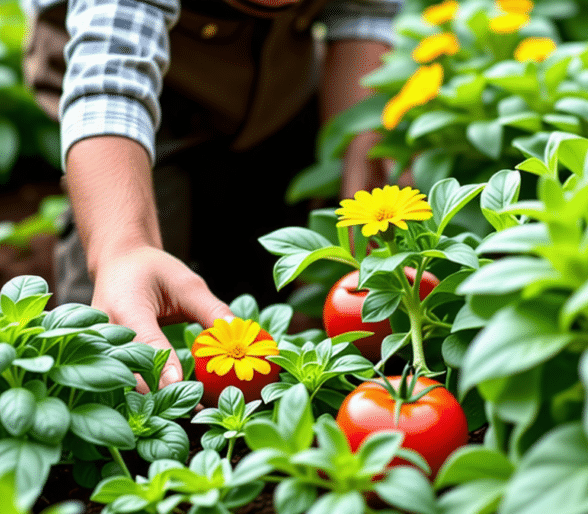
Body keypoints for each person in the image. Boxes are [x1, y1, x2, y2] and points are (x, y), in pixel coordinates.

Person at [20, 0, 401, 390]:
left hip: (276, 72)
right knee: (125, 318)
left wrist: (362, 181)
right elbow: (111, 85)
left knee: (260, 260)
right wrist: (121, 247)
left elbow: (361, 15)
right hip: (138, 80)